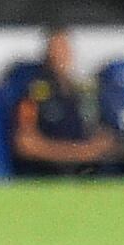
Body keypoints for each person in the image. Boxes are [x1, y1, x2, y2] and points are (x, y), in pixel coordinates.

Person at [10, 29, 118, 176]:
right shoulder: (33, 93)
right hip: (45, 176)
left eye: (64, 49)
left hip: (86, 176)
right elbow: (25, 143)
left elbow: (103, 137)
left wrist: (96, 147)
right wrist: (75, 153)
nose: (59, 56)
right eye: (55, 50)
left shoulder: (84, 93)